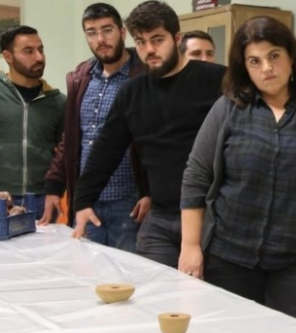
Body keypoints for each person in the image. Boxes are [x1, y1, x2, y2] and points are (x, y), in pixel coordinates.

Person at [180, 16, 296, 329]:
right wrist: (190, 246)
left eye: (274, 56)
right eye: (255, 61)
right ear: (245, 68)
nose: (266, 68)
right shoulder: (228, 109)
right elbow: (196, 176)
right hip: (229, 260)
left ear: (291, 57)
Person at [72, 1, 226, 266]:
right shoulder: (132, 92)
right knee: (150, 291)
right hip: (161, 216)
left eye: (157, 40)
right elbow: (106, 149)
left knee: (211, 300)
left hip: (214, 215)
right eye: (141, 42)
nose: (149, 50)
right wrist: (83, 201)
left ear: (177, 38)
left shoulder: (218, 80)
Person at [40, 3, 150, 253]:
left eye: (107, 30)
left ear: (122, 33)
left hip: (130, 201)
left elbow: (155, 140)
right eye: (92, 32)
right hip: (87, 201)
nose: (100, 39)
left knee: (131, 277)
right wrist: (54, 186)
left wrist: (151, 192)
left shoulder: (142, 75)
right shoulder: (81, 77)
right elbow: (70, 138)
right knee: (90, 274)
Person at [0, 25, 66, 218]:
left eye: (40, 49)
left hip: (41, 201)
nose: (39, 57)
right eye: (28, 51)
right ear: (8, 57)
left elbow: (65, 154)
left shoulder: (58, 101)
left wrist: (55, 190)